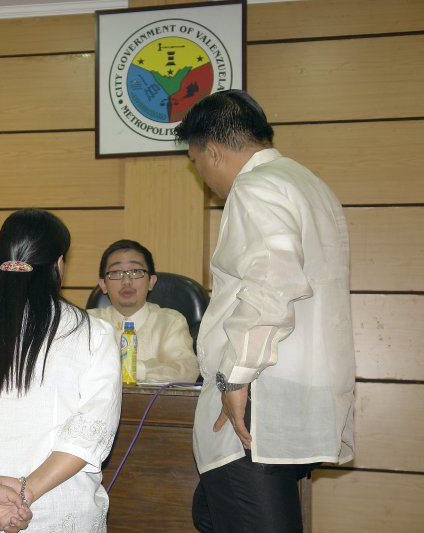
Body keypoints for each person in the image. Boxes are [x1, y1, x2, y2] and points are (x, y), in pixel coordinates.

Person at [174, 90, 355, 532]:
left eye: (197, 162)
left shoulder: (255, 187)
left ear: (212, 151)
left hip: (257, 388)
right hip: (296, 385)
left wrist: (237, 374)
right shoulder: (308, 184)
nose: (203, 176)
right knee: (215, 515)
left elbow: (271, 278)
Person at [0, 208, 121, 533]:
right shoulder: (93, 334)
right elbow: (90, 429)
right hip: (58, 509)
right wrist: (26, 493)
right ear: (58, 264)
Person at [88, 239, 200, 383]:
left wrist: (130, 369)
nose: (127, 281)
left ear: (151, 282)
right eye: (116, 273)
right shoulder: (89, 323)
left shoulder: (171, 322)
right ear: (103, 285)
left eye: (135, 272)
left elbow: (187, 371)